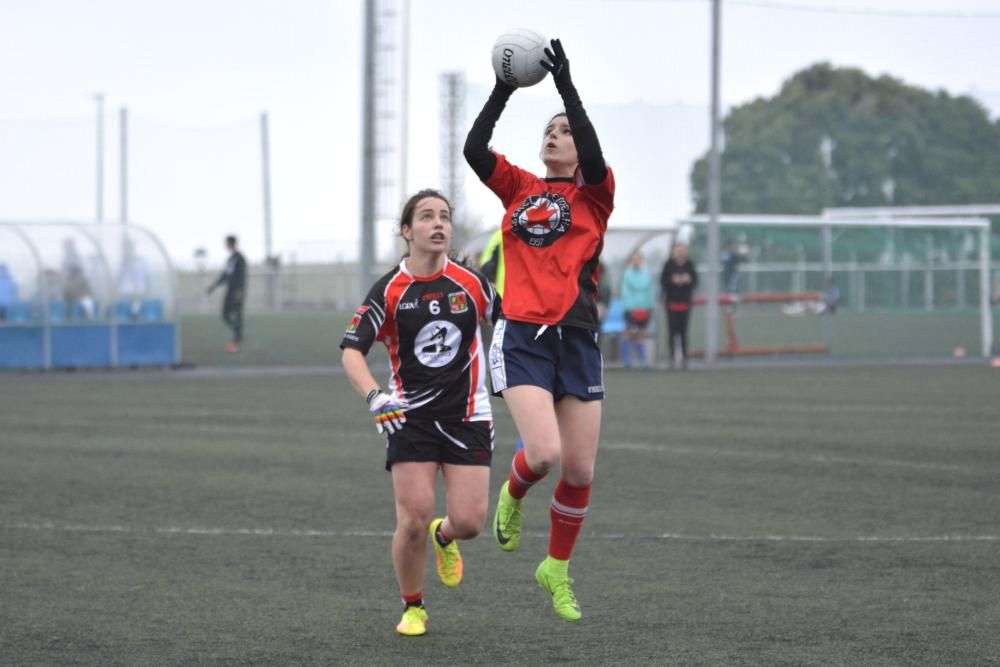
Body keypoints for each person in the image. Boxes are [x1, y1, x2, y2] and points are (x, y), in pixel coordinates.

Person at [464, 38, 614, 622]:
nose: (554, 135)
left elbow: (595, 157)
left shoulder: (595, 194)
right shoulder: (519, 188)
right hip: (521, 333)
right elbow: (476, 148)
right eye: (549, 130)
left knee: (580, 470)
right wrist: (506, 85)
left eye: (565, 131)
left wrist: (566, 90)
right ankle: (514, 491)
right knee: (545, 453)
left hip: (578, 338)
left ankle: (555, 568)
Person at [340, 189, 500, 637]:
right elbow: (352, 353)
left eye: (445, 217)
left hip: (468, 414)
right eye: (427, 217)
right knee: (412, 518)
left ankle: (444, 536)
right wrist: (376, 396)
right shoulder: (389, 290)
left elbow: (511, 325)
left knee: (469, 522)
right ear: (407, 231)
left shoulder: (471, 284)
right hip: (409, 418)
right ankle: (414, 607)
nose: (439, 224)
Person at [660, 242, 699, 369]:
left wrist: (688, 280)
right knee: (672, 331)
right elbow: (663, 281)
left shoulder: (690, 265)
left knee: (683, 332)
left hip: (685, 302)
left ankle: (684, 359)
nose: (680, 252)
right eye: (677, 250)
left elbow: (695, 281)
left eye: (682, 250)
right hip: (671, 302)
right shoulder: (668, 265)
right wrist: (673, 279)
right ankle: (672, 359)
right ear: (674, 251)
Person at [206, 235, 247, 352]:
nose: (226, 246)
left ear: (232, 244)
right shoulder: (231, 259)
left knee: (237, 315)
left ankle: (236, 341)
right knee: (225, 315)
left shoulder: (240, 258)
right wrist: (213, 286)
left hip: (238, 291)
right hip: (231, 290)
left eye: (227, 243)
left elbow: (242, 277)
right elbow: (225, 275)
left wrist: (240, 291)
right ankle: (238, 334)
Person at [619, 250, 655, 369]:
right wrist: (631, 308)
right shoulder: (627, 275)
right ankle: (627, 362)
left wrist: (649, 307)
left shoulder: (646, 274)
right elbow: (625, 293)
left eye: (638, 258)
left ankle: (642, 362)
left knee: (641, 334)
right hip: (630, 309)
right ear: (631, 261)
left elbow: (650, 291)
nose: (636, 261)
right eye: (634, 259)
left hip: (645, 309)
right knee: (627, 333)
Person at [60, 238, 95, 320]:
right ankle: (68, 318)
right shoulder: (65, 258)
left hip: (78, 288)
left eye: (68, 245)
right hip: (71, 290)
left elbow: (75, 270)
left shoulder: (76, 257)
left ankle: (87, 316)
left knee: (86, 300)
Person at [116, 236, 150, 320]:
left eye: (127, 247)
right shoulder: (123, 262)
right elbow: (121, 278)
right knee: (125, 311)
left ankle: (135, 315)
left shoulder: (141, 261)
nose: (125, 249)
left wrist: (145, 289)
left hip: (138, 291)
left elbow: (145, 277)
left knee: (136, 308)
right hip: (126, 292)